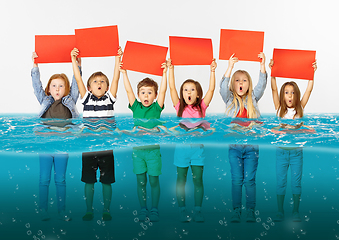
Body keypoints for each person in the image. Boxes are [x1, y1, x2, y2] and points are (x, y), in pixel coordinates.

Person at [71, 47, 122, 221]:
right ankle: (89, 209)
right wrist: (74, 61)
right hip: (88, 146)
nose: (99, 83)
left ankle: (106, 209)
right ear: (89, 87)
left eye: (102, 81)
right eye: (95, 81)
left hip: (106, 146)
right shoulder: (86, 99)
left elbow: (116, 77)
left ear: (106, 87)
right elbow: (78, 78)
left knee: (107, 181)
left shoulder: (110, 98)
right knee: (89, 181)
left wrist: (117, 58)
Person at [31, 52, 79, 221]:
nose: (57, 89)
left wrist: (77, 64)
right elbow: (36, 86)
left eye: (61, 86)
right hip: (45, 146)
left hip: (62, 147)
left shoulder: (70, 101)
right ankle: (43, 210)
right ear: (48, 89)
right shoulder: (45, 100)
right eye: (54, 86)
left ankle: (62, 210)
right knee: (44, 180)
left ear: (66, 89)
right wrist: (35, 66)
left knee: (60, 180)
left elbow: (76, 85)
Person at [219, 53, 267, 223]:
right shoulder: (229, 99)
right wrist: (230, 67)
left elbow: (262, 84)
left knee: (250, 180)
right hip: (234, 147)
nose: (241, 83)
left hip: (252, 147)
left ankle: (250, 211)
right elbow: (222, 87)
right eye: (237, 80)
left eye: (244, 80)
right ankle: (236, 210)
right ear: (233, 84)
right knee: (237, 180)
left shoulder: (253, 97)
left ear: (249, 84)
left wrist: (262, 65)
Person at [168, 58, 217, 222]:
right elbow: (172, 88)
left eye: (192, 90)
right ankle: (182, 210)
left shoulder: (201, 106)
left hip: (198, 151)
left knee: (198, 180)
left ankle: (197, 210)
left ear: (198, 94)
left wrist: (212, 71)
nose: (188, 92)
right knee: (181, 180)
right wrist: (171, 69)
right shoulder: (179, 107)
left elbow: (211, 89)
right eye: (185, 90)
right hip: (181, 151)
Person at [119, 59, 167, 222]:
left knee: (154, 181)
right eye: (143, 92)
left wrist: (165, 73)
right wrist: (124, 73)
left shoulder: (156, 108)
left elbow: (163, 91)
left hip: (153, 152)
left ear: (154, 96)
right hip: (137, 153)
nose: (146, 95)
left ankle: (154, 209)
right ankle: (143, 209)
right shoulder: (136, 107)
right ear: (139, 95)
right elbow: (128, 90)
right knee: (141, 182)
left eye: (150, 92)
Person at [269, 59, 317, 222]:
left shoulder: (300, 108)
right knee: (280, 182)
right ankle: (280, 211)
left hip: (297, 153)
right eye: (287, 92)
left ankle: (295, 211)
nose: (290, 95)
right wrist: (273, 72)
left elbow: (308, 91)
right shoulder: (278, 108)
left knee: (296, 183)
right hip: (281, 152)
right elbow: (274, 89)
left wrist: (312, 73)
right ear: (283, 95)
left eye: (293, 92)